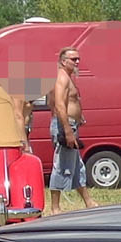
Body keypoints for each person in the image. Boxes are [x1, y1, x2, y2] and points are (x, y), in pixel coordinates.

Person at [47, 46, 96, 212]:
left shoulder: (66, 77)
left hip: (70, 124)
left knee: (76, 166)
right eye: (73, 59)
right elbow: (59, 104)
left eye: (78, 58)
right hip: (64, 125)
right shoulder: (61, 77)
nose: (77, 62)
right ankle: (55, 207)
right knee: (61, 165)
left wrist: (78, 117)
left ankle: (88, 201)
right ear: (63, 61)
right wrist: (67, 130)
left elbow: (62, 102)